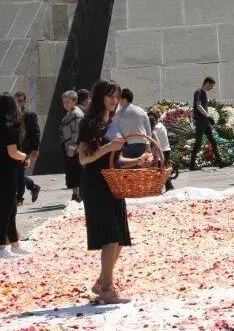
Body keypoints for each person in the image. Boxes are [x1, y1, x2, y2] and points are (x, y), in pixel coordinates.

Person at [78, 79, 146, 305]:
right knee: (111, 236)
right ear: (100, 97)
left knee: (118, 238)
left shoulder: (112, 123)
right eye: (109, 96)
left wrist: (138, 161)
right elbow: (84, 158)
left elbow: (115, 159)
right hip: (97, 185)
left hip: (113, 184)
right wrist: (107, 147)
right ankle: (108, 289)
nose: (113, 100)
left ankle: (101, 283)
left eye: (116, 96)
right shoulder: (89, 123)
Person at [0, 93, 30, 259]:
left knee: (11, 208)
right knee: (6, 210)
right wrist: (24, 156)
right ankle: (1, 248)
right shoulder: (9, 126)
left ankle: (14, 244)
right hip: (7, 172)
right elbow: (13, 152)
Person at [190, 76, 225, 170]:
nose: (212, 88)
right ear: (207, 83)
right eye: (211, 86)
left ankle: (220, 162)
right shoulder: (198, 92)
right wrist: (208, 116)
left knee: (213, 141)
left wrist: (208, 117)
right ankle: (191, 165)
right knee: (198, 143)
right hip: (201, 121)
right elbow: (198, 106)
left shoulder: (204, 93)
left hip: (205, 122)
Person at [14, 92, 42, 205]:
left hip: (25, 149)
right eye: (16, 101)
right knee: (16, 173)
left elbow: (36, 133)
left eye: (20, 101)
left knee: (19, 173)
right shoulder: (11, 115)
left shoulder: (30, 115)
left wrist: (35, 149)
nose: (18, 103)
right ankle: (33, 186)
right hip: (13, 148)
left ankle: (19, 198)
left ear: (25, 101)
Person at [111, 89, 152, 160]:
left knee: (128, 169)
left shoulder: (118, 114)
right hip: (142, 144)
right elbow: (149, 130)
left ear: (124, 99)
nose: (118, 101)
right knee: (142, 168)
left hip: (127, 145)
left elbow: (113, 130)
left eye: (119, 98)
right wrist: (148, 145)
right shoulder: (141, 111)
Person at [60, 90, 85, 202]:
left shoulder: (76, 114)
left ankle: (78, 195)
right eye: (64, 102)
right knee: (72, 171)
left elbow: (77, 132)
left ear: (74, 101)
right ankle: (76, 194)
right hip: (68, 146)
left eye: (68, 102)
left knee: (76, 171)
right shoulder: (70, 113)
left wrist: (72, 148)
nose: (65, 104)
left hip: (74, 148)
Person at [148, 110, 175, 191]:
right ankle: (168, 186)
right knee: (163, 170)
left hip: (162, 151)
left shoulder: (157, 128)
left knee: (161, 170)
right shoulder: (160, 126)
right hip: (165, 149)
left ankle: (166, 187)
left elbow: (154, 143)